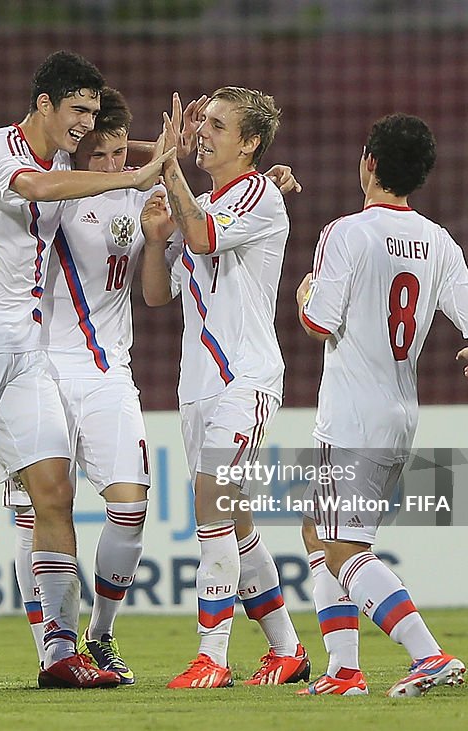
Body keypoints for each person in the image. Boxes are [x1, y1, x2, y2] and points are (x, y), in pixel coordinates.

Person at [0, 51, 173, 691]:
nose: (85, 125)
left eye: (92, 114)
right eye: (76, 110)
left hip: (25, 356)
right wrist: (132, 177)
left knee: (55, 493)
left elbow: (94, 160)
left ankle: (59, 653)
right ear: (43, 104)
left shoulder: (64, 161)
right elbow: (39, 191)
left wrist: (154, 157)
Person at [294, 113, 468, 697]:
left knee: (343, 546)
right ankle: (344, 671)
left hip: (353, 413)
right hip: (400, 412)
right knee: (320, 535)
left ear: (371, 163)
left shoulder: (346, 232)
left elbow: (317, 322)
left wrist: (307, 292)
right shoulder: (439, 240)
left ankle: (427, 654)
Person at [139, 87, 308, 689]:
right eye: (201, 122)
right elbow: (157, 296)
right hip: (198, 387)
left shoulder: (259, 194)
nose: (202, 132)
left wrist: (170, 170)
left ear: (249, 143)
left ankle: (212, 656)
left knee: (210, 511)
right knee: (232, 522)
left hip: (244, 379)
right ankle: (287, 649)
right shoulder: (202, 206)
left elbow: (209, 237)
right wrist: (157, 240)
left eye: (216, 124)